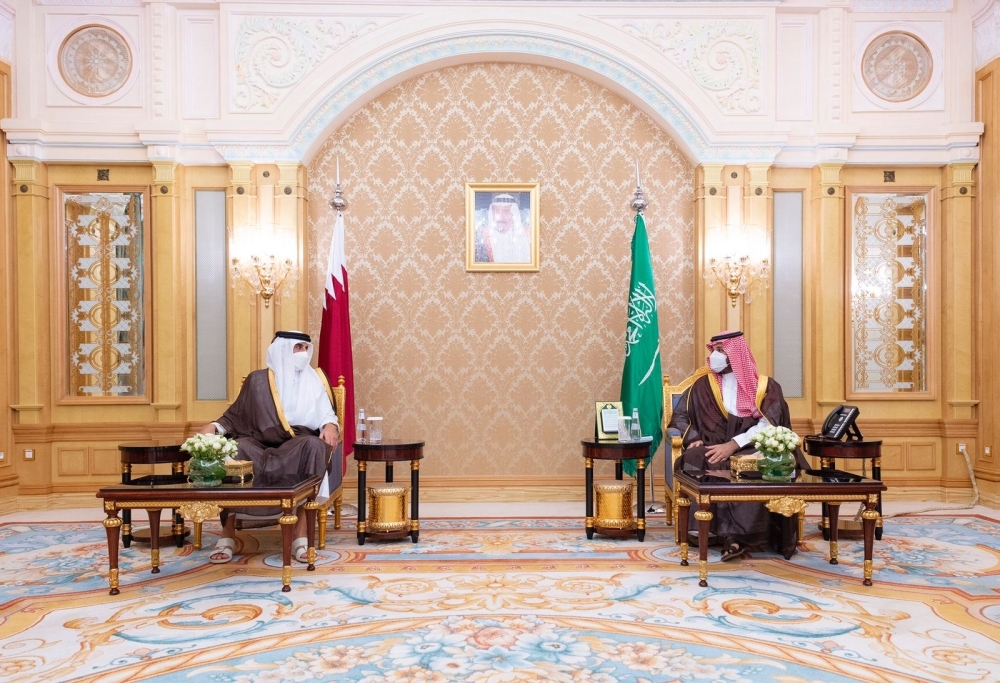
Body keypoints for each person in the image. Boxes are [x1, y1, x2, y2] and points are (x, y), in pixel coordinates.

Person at [199, 331, 341, 564]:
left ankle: (300, 535)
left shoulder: (315, 379)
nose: (303, 353)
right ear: (282, 349)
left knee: (314, 446)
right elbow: (235, 416)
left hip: (298, 441)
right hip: (259, 440)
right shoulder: (257, 381)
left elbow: (327, 414)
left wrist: (331, 426)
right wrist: (213, 426)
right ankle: (227, 534)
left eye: (306, 348)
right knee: (236, 447)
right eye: (297, 347)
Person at [669, 330, 806, 561]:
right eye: (714, 350)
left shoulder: (765, 386)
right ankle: (717, 533)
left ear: (736, 354)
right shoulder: (702, 385)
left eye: (721, 351)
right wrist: (692, 437)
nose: (715, 356)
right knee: (695, 459)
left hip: (752, 445)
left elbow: (769, 424)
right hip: (712, 444)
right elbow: (680, 416)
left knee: (758, 464)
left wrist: (733, 444)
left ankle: (741, 536)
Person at [474, 193, 531, 263]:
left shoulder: (526, 235)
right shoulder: (483, 235)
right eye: (496, 212)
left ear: (514, 214)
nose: (500, 217)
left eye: (506, 212)